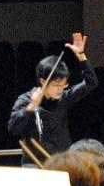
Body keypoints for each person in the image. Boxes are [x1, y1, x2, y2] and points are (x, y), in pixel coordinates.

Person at [8, 33, 98, 164]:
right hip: (34, 163)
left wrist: (80, 55)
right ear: (43, 81)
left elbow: (91, 82)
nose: (60, 89)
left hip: (61, 161)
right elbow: (13, 128)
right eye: (56, 85)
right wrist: (30, 107)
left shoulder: (64, 97)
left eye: (63, 85)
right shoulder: (26, 99)